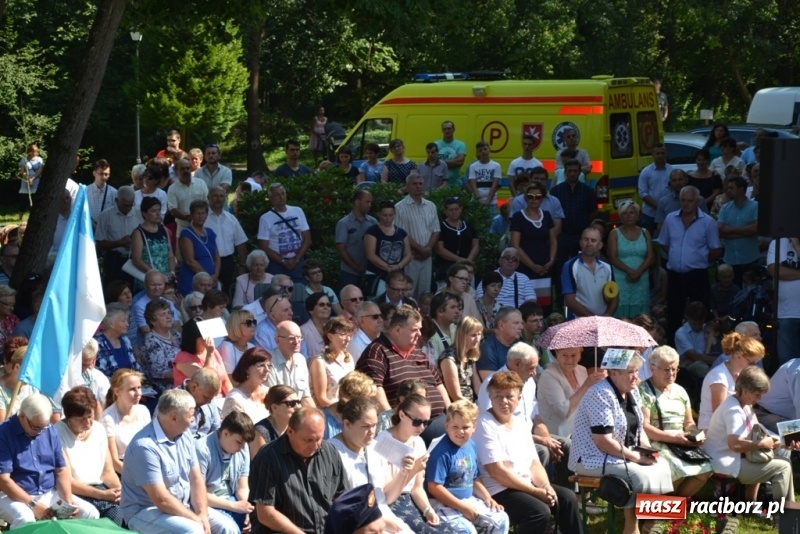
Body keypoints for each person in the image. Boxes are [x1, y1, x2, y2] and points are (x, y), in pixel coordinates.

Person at [570, 352, 673, 534]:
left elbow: (639, 428)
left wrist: (648, 451)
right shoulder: (599, 394)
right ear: (614, 373)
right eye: (631, 372)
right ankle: (631, 528)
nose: (636, 377)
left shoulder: (632, 391)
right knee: (638, 475)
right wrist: (636, 458)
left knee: (663, 465)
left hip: (619, 454)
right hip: (591, 458)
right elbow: (603, 441)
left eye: (637, 371)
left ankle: (651, 524)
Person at [473, 372, 581, 532]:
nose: (503, 401)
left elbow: (534, 464)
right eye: (497, 396)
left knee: (567, 498)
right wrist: (536, 492)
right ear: (490, 396)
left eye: (509, 396)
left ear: (519, 398)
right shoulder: (485, 424)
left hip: (524, 484)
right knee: (538, 511)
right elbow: (497, 471)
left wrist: (545, 486)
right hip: (498, 490)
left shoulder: (521, 423)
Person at [120, 389, 238, 534]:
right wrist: (196, 519)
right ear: (174, 417)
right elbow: (161, 499)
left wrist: (202, 514)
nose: (194, 418)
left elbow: (196, 478)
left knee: (228, 528)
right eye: (190, 415)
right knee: (193, 530)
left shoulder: (185, 435)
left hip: (182, 505)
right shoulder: (145, 447)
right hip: (145, 511)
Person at [703, 366, 795, 515]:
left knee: (782, 462)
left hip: (735, 459)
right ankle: (785, 517)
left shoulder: (744, 405)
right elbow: (735, 444)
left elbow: (757, 432)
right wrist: (762, 444)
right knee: (782, 468)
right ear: (744, 389)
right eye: (757, 394)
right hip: (725, 463)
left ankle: (754, 506)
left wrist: (781, 442)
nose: (759, 399)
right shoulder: (733, 410)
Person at [0, 394, 99, 528]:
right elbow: (3, 480)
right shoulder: (3, 433)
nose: (40, 431)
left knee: (89, 513)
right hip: (11, 495)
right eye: (36, 427)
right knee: (25, 519)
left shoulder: (49, 430)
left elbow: (61, 469)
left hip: (48, 492)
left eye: (44, 427)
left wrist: (67, 501)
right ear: (22, 416)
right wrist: (32, 504)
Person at [355, 305, 450, 444]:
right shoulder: (377, 352)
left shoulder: (418, 352)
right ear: (398, 330)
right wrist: (396, 427)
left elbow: (438, 383)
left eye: (420, 329)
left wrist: (451, 414)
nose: (419, 334)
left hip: (440, 425)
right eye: (414, 330)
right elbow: (374, 390)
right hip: (408, 431)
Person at [249, 407, 349, 534]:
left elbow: (342, 498)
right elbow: (265, 513)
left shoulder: (330, 452)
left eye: (319, 439)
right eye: (308, 440)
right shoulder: (268, 457)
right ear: (290, 431)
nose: (315, 445)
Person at [328, 397, 414, 532]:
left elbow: (386, 497)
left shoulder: (376, 447)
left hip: (384, 516)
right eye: (366, 426)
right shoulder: (331, 452)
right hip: (356, 524)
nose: (372, 432)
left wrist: (403, 473)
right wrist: (380, 521)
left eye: (374, 425)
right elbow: (336, 505)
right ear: (347, 424)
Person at [426, 400, 510, 534]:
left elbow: (474, 477)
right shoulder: (441, 452)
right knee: (466, 530)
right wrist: (463, 508)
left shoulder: (471, 445)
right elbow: (434, 487)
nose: (460, 432)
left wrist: (487, 497)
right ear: (446, 425)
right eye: (455, 427)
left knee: (501, 519)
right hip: (443, 504)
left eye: (465, 427)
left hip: (467, 500)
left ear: (474, 427)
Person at [639, 346, 713, 498]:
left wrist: (696, 435)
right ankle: (659, 514)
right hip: (656, 442)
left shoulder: (680, 391)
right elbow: (644, 427)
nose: (671, 373)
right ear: (652, 368)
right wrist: (674, 438)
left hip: (681, 442)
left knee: (706, 469)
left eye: (675, 369)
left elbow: (689, 422)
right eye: (666, 369)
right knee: (675, 469)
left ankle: (675, 503)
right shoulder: (644, 390)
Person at [379, 394, 456, 532]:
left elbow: (417, 489)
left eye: (427, 422)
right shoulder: (383, 442)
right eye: (417, 421)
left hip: (412, 501)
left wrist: (427, 510)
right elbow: (387, 496)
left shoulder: (418, 442)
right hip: (391, 505)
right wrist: (411, 471)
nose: (421, 427)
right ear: (402, 415)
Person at [657, 186, 722, 339]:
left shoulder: (708, 222)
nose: (686, 204)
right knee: (674, 313)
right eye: (683, 200)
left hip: (697, 274)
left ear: (697, 201)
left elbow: (716, 249)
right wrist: (677, 256)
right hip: (675, 275)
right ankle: (673, 348)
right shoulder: (670, 219)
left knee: (700, 313)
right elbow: (664, 243)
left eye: (690, 201)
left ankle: (701, 347)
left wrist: (698, 260)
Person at [56, 387, 124, 526]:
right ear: (69, 418)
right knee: (113, 513)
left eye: (90, 416)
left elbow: (107, 472)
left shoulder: (98, 429)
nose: (87, 422)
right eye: (81, 419)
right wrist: (104, 495)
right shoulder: (57, 433)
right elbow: (68, 481)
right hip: (76, 492)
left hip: (101, 489)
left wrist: (120, 492)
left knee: (127, 510)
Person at [195, 411, 255, 532]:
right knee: (229, 529)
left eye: (245, 444)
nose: (242, 448)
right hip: (209, 504)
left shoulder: (242, 450)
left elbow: (242, 487)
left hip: (232, 500)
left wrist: (246, 508)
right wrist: (234, 506)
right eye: (239, 442)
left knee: (258, 520)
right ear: (226, 433)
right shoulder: (202, 449)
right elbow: (198, 494)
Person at [697, 332, 765, 430]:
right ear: (738, 356)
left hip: (733, 430)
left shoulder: (741, 376)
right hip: (714, 434)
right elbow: (720, 415)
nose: (754, 367)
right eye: (751, 362)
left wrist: (758, 432)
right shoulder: (719, 376)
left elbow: (748, 409)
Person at [537, 347, 605, 437]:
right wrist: (586, 385)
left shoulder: (581, 370)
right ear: (557, 354)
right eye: (565, 355)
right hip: (560, 433)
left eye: (574, 355)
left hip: (583, 428)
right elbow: (563, 412)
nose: (569, 360)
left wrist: (599, 385)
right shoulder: (548, 375)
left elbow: (588, 402)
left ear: (580, 355)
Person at [510, 182, 557, 309]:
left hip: (545, 268)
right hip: (525, 269)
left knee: (545, 305)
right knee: (527, 305)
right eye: (531, 196)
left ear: (542, 198)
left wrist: (551, 261)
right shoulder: (518, 217)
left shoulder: (546, 215)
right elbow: (515, 244)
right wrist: (531, 265)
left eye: (538, 196)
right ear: (526, 198)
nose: (534, 199)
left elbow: (553, 241)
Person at [395, 172, 441, 297]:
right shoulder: (399, 207)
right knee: (409, 292)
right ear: (407, 186)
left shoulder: (431, 206)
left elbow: (436, 230)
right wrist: (420, 249)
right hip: (411, 256)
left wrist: (428, 249)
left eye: (420, 184)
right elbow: (401, 233)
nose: (418, 186)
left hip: (427, 257)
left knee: (425, 292)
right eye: (414, 184)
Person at [257, 182, 312, 283]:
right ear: (270, 198)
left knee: (300, 293)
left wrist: (296, 259)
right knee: (278, 292)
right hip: (277, 264)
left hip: (298, 261)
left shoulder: (298, 211)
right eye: (277, 195)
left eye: (283, 193)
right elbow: (264, 247)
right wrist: (283, 261)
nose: (281, 197)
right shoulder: (265, 218)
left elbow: (307, 239)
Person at [607, 200, 654, 318]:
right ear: (620, 216)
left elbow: (650, 256)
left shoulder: (645, 233)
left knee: (641, 314)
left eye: (632, 212)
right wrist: (630, 271)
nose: (628, 216)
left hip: (641, 279)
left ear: (638, 214)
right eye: (624, 213)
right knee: (621, 311)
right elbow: (612, 257)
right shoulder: (614, 233)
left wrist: (638, 272)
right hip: (621, 279)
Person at [102, 369, 151, 475]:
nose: (138, 393)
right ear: (117, 391)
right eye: (132, 389)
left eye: (139, 388)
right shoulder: (107, 418)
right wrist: (140, 478)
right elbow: (114, 462)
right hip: (124, 471)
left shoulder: (143, 411)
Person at [562, 226, 617, 318]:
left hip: (603, 322)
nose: (589, 243)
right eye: (586, 239)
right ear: (581, 242)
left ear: (600, 245)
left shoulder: (607, 267)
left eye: (593, 240)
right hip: (578, 322)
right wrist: (593, 319)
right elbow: (570, 300)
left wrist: (607, 316)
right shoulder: (570, 266)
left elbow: (615, 295)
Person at [173, 319, 232, 401]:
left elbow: (225, 381)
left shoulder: (213, 351)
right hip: (195, 403)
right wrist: (210, 354)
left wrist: (232, 400)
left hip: (220, 400)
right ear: (193, 338)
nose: (207, 339)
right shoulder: (183, 358)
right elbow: (206, 380)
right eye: (203, 337)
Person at [95, 185, 142, 284]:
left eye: (131, 204)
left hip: (135, 259)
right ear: (116, 201)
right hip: (114, 259)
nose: (128, 208)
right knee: (113, 289)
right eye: (125, 205)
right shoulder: (105, 216)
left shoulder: (139, 214)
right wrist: (119, 243)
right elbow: (99, 243)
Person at [717, 175, 759, 284]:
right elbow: (721, 231)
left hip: (750, 259)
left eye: (731, 188)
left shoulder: (755, 206)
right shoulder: (725, 208)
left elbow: (755, 229)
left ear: (741, 189)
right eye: (728, 187)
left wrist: (730, 229)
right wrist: (746, 232)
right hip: (730, 260)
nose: (728, 190)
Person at [364, 200, 412, 293]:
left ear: (394, 214)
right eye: (385, 215)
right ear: (379, 214)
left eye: (391, 215)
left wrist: (398, 266)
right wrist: (387, 267)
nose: (388, 218)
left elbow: (408, 254)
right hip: (376, 274)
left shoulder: (402, 232)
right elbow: (370, 255)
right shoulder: (372, 231)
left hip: (397, 276)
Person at [767, 237, 800, 366]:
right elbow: (775, 270)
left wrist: (797, 246)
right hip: (786, 313)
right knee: (788, 366)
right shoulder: (777, 243)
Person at [310, 316, 355, 408]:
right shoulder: (320, 362)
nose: (348, 339)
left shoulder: (349, 358)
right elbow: (321, 399)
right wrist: (343, 410)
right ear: (330, 336)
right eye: (343, 334)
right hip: (330, 412)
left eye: (350, 335)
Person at [336, 190, 377, 290]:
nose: (370, 205)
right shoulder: (344, 223)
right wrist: (357, 268)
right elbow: (341, 249)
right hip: (349, 273)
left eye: (371, 202)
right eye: (367, 202)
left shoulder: (373, 222)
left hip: (370, 272)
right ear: (357, 202)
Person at [130, 197, 176, 287]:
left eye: (159, 210)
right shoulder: (138, 233)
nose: (158, 213)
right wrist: (156, 275)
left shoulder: (164, 230)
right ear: (144, 213)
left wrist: (172, 272)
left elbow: (170, 255)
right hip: (147, 278)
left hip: (165, 279)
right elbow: (136, 259)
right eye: (153, 211)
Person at [268, 321, 315, 407]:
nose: (297, 342)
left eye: (299, 337)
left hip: (298, 413)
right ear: (277, 340)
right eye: (291, 338)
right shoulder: (268, 361)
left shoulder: (300, 359)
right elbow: (272, 399)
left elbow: (305, 396)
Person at [178, 199, 220, 297]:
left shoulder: (210, 232)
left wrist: (216, 275)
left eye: (203, 213)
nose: (200, 216)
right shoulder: (186, 233)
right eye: (197, 213)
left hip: (211, 281)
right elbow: (190, 261)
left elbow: (217, 256)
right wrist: (207, 278)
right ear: (192, 215)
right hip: (193, 280)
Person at [141, 299, 181, 396]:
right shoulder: (151, 341)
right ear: (152, 321)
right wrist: (190, 375)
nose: (168, 317)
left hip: (183, 382)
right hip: (166, 391)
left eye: (169, 313)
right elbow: (162, 373)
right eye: (163, 315)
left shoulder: (176, 335)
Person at [434, 197, 479, 283]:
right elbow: (439, 249)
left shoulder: (468, 225)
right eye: (451, 210)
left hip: (467, 268)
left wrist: (468, 261)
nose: (454, 212)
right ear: (445, 211)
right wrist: (458, 259)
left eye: (456, 209)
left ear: (461, 209)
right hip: (446, 269)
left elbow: (475, 245)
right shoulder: (441, 226)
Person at [221, 347, 271, 423]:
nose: (267, 369)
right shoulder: (234, 399)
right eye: (261, 365)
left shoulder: (270, 392)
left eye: (269, 365)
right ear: (247, 368)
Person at [251, 385, 299, 459]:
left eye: (298, 402)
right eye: (291, 404)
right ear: (274, 408)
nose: (298, 407)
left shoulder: (296, 428)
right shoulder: (260, 432)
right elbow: (259, 466)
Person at [95, 303, 141, 380]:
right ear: (111, 324)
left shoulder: (125, 340)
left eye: (127, 321)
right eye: (123, 321)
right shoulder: (98, 343)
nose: (127, 324)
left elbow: (135, 367)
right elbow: (100, 374)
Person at [476, 308, 523, 381]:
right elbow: (490, 383)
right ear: (501, 325)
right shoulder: (487, 349)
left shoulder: (519, 346)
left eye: (521, 323)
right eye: (516, 323)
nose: (521, 327)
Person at [167, 158, 209, 236]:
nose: (186, 171)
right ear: (176, 171)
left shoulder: (201, 183)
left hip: (202, 227)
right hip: (183, 228)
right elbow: (173, 209)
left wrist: (199, 218)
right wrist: (190, 218)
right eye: (182, 169)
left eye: (187, 168)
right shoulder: (172, 188)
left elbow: (206, 202)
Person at [218, 309, 257, 378]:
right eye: (248, 322)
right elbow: (230, 379)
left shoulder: (251, 347)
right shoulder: (227, 347)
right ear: (236, 326)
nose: (253, 325)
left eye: (254, 322)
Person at [467, 141, 500, 210]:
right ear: (477, 153)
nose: (483, 152)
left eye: (485, 149)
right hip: (477, 202)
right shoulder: (473, 166)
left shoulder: (496, 166)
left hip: (492, 202)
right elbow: (473, 186)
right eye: (480, 150)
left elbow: (494, 186)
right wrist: (479, 201)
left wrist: (487, 201)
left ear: (489, 149)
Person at [300, 292, 333, 358]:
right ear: (311, 310)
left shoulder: (334, 328)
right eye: (321, 305)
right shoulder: (303, 331)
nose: (326, 307)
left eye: (328, 305)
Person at [436, 121, 467, 187]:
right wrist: (453, 162)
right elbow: (433, 162)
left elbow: (459, 162)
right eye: (444, 129)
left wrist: (440, 163)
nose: (447, 131)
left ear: (453, 130)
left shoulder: (460, 145)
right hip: (438, 184)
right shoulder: (436, 145)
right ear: (442, 130)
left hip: (455, 184)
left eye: (449, 128)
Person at [87, 158, 117, 225]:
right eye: (101, 174)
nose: (103, 177)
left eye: (106, 174)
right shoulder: (86, 191)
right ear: (94, 173)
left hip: (107, 229)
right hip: (89, 229)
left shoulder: (114, 192)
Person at [17, 143, 43, 221]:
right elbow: (22, 171)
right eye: (33, 151)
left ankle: (34, 217)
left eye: (35, 151)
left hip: (36, 182)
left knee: (35, 200)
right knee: (23, 200)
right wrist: (27, 178)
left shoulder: (39, 159)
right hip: (25, 183)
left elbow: (40, 170)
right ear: (29, 151)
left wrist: (33, 179)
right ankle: (20, 218)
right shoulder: (24, 159)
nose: (34, 153)